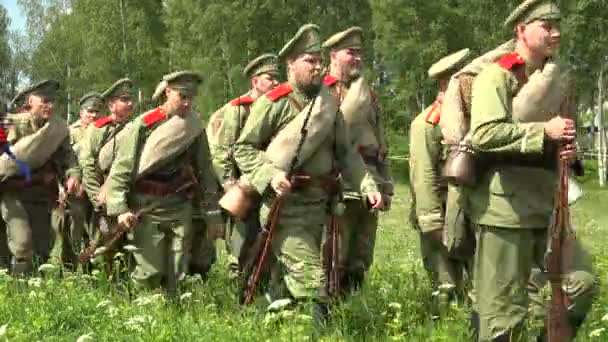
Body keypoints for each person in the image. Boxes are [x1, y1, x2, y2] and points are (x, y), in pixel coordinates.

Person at [233, 23, 382, 323]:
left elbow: (347, 155)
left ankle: (269, 316)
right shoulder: (273, 104)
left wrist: (367, 186)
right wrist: (270, 174)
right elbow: (244, 149)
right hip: (286, 207)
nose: (317, 67)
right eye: (309, 61)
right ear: (291, 64)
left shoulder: (328, 105)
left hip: (321, 207)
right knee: (314, 284)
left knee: (292, 275)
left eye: (318, 61)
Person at [467, 1, 597, 340]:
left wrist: (569, 149)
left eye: (558, 25)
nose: (556, 32)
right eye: (546, 25)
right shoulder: (497, 76)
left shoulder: (560, 78)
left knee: (580, 283)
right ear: (521, 30)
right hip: (505, 210)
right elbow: (483, 134)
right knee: (503, 315)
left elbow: (567, 132)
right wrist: (543, 132)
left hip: (549, 206)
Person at [104, 71, 222, 293]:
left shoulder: (194, 126)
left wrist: (212, 213)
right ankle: (143, 314)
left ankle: (175, 318)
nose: (187, 103)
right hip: (147, 207)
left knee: (179, 270)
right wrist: (120, 208)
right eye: (182, 96)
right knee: (150, 271)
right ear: (168, 92)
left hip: (180, 205)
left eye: (192, 97)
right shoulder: (145, 125)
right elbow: (122, 168)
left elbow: (205, 171)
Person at [321, 26, 394, 294]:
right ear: (333, 56)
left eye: (360, 53)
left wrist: (386, 185)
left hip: (370, 184)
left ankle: (354, 310)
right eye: (350, 52)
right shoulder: (322, 92)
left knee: (361, 258)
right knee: (333, 257)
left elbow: (380, 144)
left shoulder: (369, 95)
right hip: (340, 185)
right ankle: (329, 319)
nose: (357, 58)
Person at [409, 49, 472, 318]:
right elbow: (423, 178)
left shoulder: (472, 118)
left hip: (472, 213)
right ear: (448, 85)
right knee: (446, 286)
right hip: (441, 216)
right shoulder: (427, 124)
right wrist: (433, 224)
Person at [207, 53, 279, 278]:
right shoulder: (237, 109)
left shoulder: (279, 106)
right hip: (243, 186)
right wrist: (229, 185)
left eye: (278, 78)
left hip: (268, 183)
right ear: (255, 82)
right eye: (270, 78)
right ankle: (237, 291)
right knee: (240, 243)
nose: (276, 82)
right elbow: (221, 152)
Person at [0, 80, 80, 275]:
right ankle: (19, 291)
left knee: (43, 248)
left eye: (52, 101)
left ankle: (35, 289)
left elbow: (68, 157)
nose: (50, 106)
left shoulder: (57, 128)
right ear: (30, 101)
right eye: (44, 101)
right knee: (22, 243)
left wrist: (73, 175)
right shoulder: (10, 124)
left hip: (42, 194)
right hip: (14, 194)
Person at [79, 79, 135, 269]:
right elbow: (88, 165)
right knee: (103, 244)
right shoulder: (98, 129)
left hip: (130, 196)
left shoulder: (137, 128)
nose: (130, 104)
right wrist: (98, 200)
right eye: (124, 99)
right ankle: (102, 285)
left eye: (131, 99)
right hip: (103, 197)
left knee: (130, 246)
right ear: (111, 105)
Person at [59, 92, 104, 269]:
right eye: (90, 111)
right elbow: (62, 162)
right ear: (81, 112)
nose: (93, 115)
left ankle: (92, 270)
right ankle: (69, 268)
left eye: (97, 112)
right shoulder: (70, 132)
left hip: (96, 189)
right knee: (73, 230)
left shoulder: (104, 130)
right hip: (75, 192)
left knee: (96, 232)